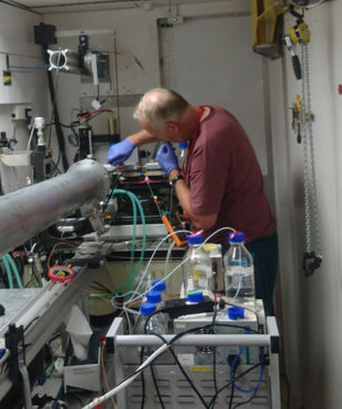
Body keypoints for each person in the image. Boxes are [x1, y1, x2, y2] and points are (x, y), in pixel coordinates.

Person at [106, 88, 278, 314]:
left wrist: (173, 173)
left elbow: (203, 218)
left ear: (171, 128)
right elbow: (168, 124)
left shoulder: (207, 147)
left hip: (243, 251)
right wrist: (132, 141)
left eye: (158, 133)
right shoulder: (210, 113)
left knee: (251, 325)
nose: (158, 138)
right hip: (239, 239)